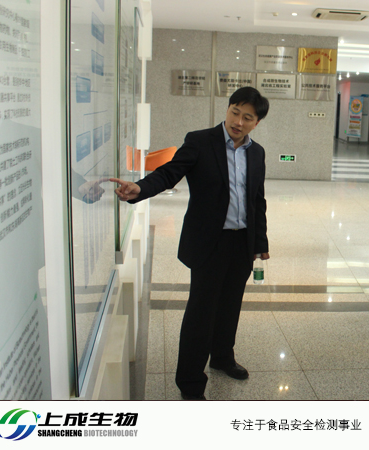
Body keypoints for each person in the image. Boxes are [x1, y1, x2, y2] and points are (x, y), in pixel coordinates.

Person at [110, 87, 270, 400]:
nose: (238, 121)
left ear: (256, 123)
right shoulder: (200, 141)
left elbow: (257, 200)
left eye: (247, 117)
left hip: (241, 243)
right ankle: (190, 382)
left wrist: (259, 241)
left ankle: (222, 357)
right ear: (227, 109)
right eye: (235, 112)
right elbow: (169, 173)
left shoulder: (257, 152)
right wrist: (140, 188)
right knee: (201, 313)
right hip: (210, 242)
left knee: (230, 306)